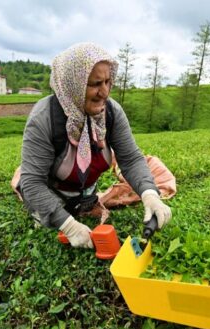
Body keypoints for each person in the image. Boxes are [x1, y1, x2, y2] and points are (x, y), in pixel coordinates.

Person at [17, 42, 171, 249]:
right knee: (48, 226)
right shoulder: (43, 119)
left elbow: (130, 158)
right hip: (51, 193)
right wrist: (69, 226)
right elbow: (32, 182)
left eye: (108, 81)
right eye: (95, 84)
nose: (105, 92)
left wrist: (150, 194)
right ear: (73, 84)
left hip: (86, 194)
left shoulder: (111, 112)